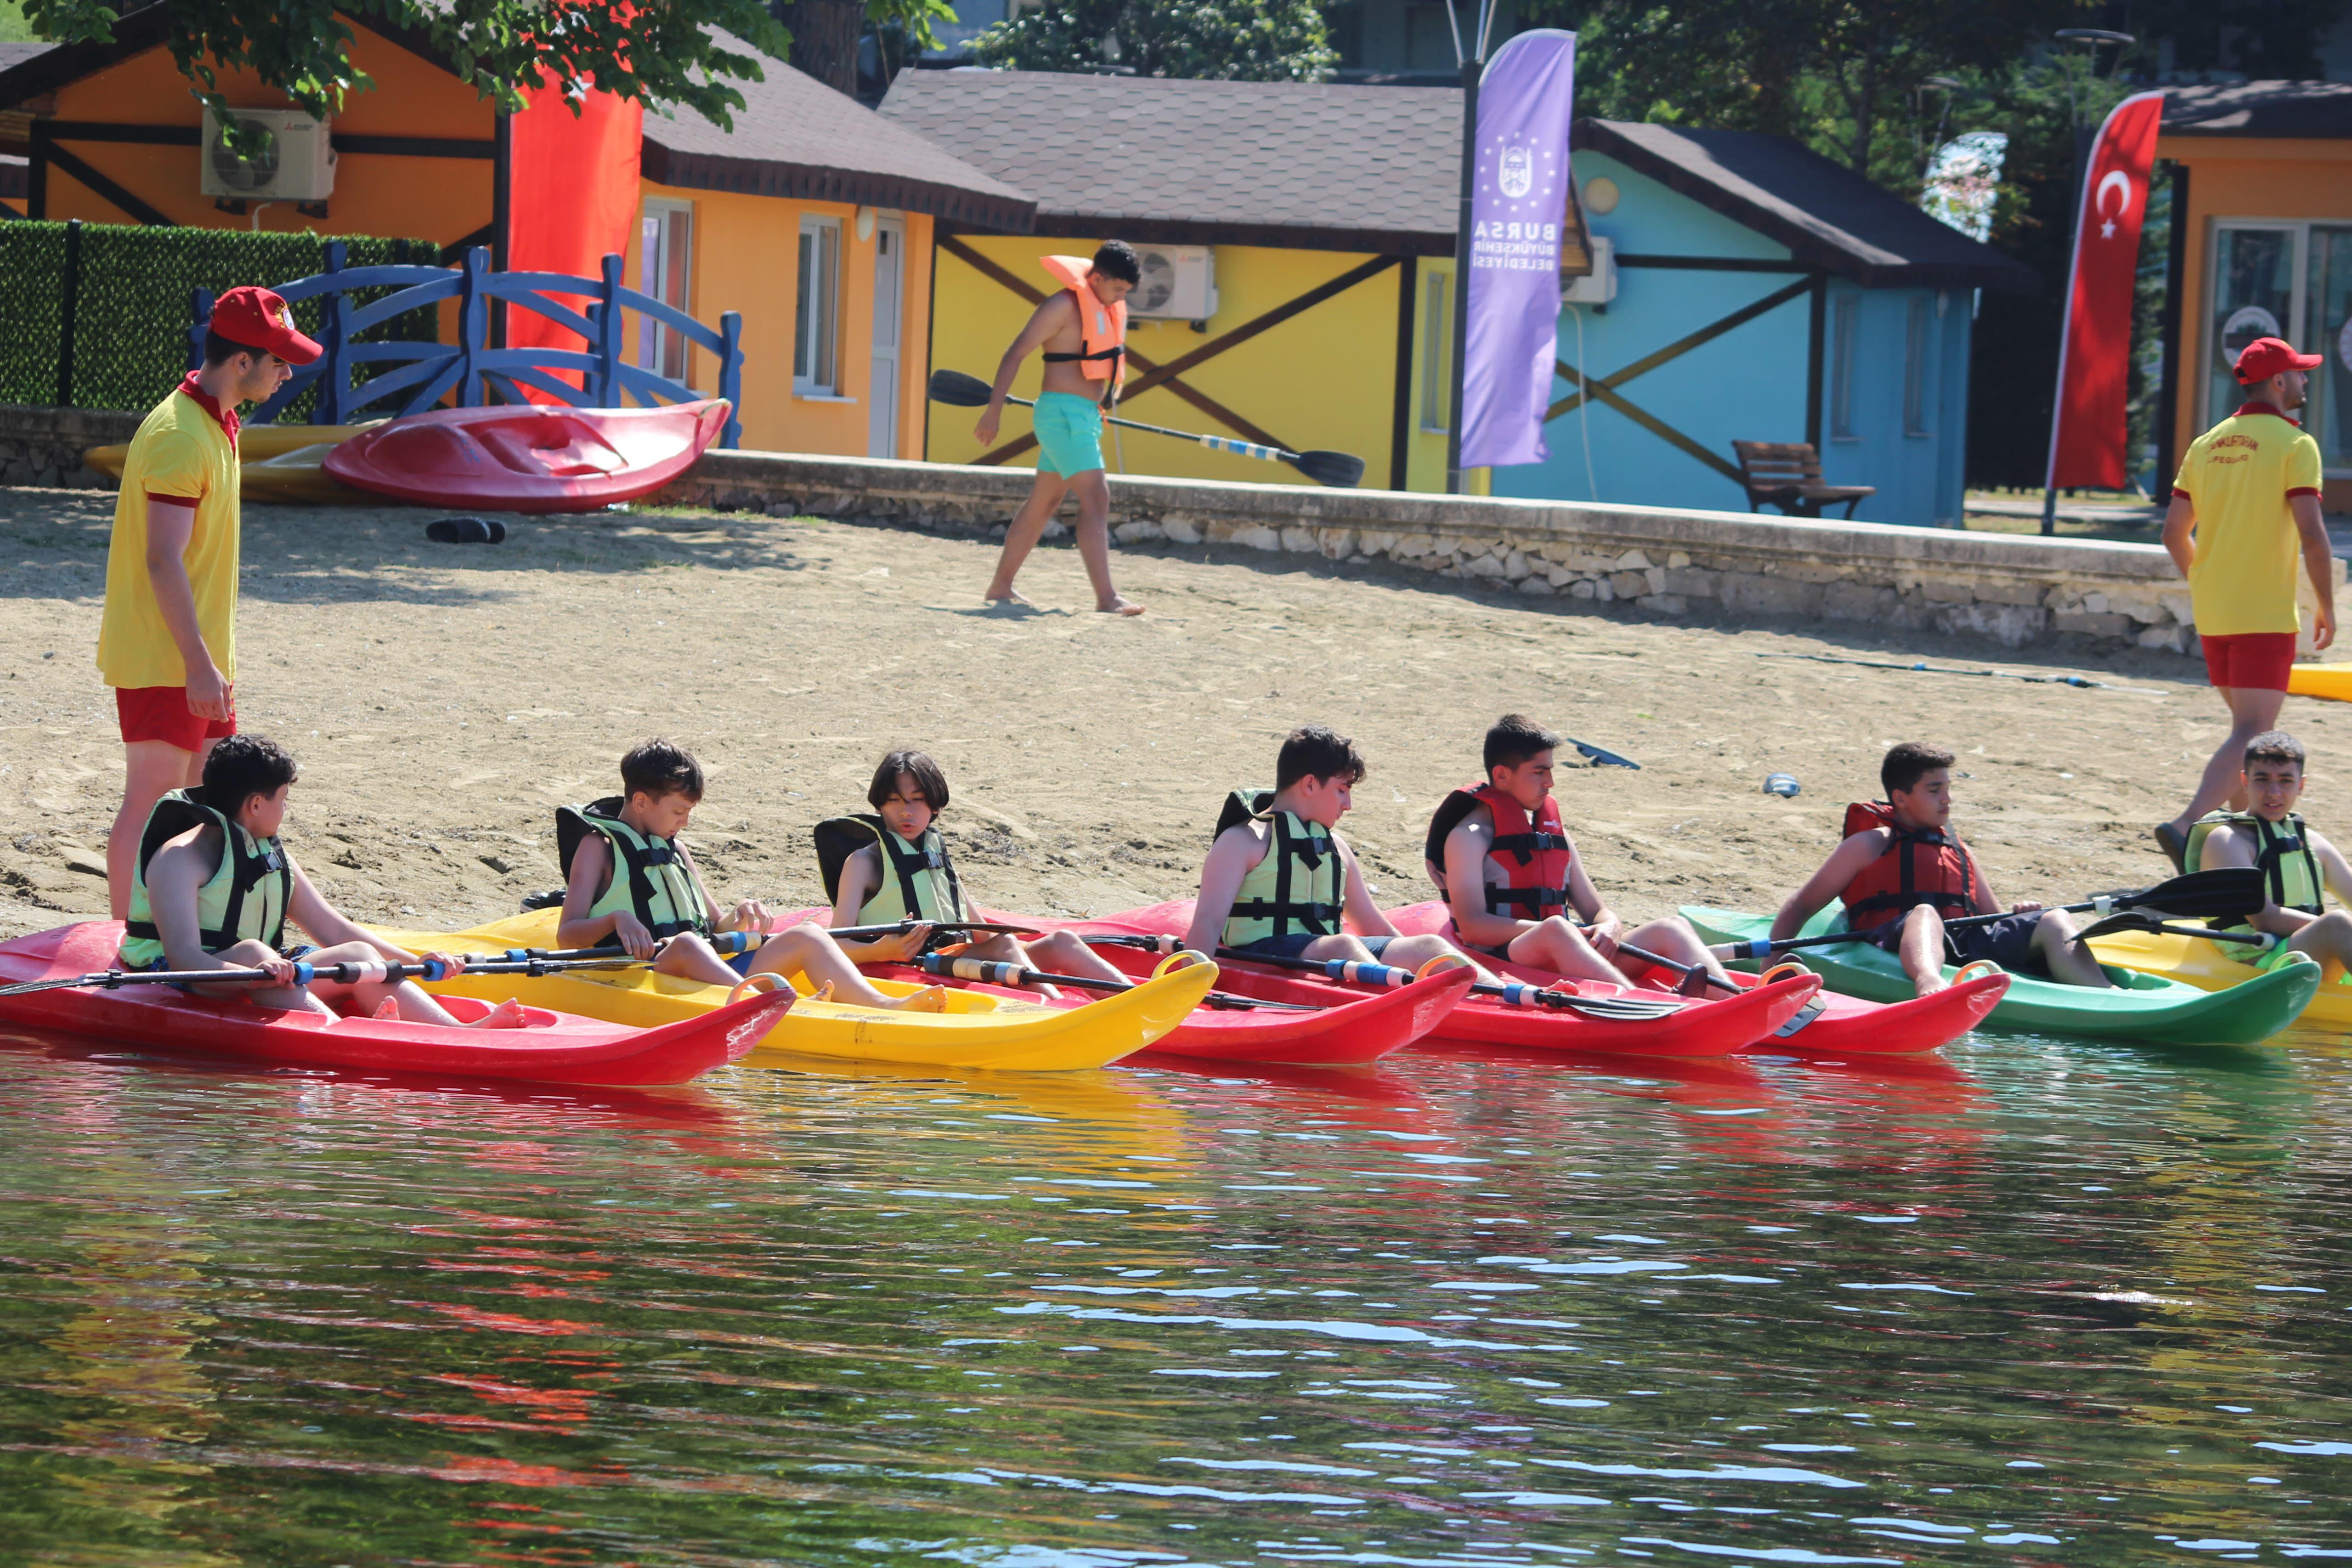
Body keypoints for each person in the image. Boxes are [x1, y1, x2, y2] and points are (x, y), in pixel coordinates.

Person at [101, 287, 322, 920]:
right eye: (279, 360)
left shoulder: (217, 422)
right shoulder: (180, 435)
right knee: (148, 802)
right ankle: (125, 940)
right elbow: (161, 560)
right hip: (164, 653)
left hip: (197, 656)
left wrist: (209, 663)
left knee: (209, 801)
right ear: (242, 362)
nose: (287, 373)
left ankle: (192, 929)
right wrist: (198, 663)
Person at [120, 734, 520, 1025]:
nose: (286, 809)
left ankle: (460, 1034)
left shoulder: (268, 854)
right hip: (181, 978)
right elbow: (183, 959)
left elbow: (333, 928)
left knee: (360, 954)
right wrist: (264, 969)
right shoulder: (179, 859)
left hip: (263, 972)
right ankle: (343, 1036)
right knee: (257, 953)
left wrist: (416, 961)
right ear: (257, 804)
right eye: (283, 798)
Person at [554, 739, 944, 1012]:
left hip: (707, 971)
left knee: (808, 933)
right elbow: (567, 932)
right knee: (688, 944)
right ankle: (774, 1005)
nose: (685, 823)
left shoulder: (675, 847)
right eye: (678, 812)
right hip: (648, 974)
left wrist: (737, 914)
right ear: (641, 801)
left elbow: (712, 924)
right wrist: (616, 918)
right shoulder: (598, 848)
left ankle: (883, 1004)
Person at [2155, 335, 2337, 870]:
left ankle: (2240, 840)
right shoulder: (2293, 444)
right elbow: (2312, 536)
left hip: (2215, 610)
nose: (2305, 381)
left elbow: (2172, 532)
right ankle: (2187, 823)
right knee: (2251, 733)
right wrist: (2328, 606)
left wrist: (2204, 581)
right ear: (2278, 382)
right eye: (2299, 374)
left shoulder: (2206, 443)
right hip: (2262, 611)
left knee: (2246, 737)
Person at [1770, 742, 2112, 997]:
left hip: (1962, 943)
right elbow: (1801, 905)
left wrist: (2021, 916)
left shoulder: (1957, 847)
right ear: (1901, 798)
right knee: (1925, 913)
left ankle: (2104, 995)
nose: (1947, 800)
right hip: (1894, 939)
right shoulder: (1870, 844)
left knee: (2053, 919)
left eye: (1948, 789)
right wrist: (1772, 962)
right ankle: (1930, 984)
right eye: (1935, 791)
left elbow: (1991, 920)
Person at [1424, 713, 1735, 988]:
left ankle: (1735, 1003)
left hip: (1568, 952)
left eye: (1550, 771)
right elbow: (1473, 926)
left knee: (1672, 927)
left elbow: (1594, 908)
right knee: (1558, 929)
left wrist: (1609, 925)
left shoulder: (1551, 834)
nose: (1550, 783)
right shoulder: (1468, 837)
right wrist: (1563, 933)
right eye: (1539, 772)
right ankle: (1642, 1005)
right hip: (1505, 960)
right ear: (1503, 774)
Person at [1183, 725, 1498, 976]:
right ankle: (1401, 1004)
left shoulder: (1337, 849)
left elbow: (1374, 926)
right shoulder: (1242, 841)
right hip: (1257, 959)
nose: (1348, 805)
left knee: (1429, 945)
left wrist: (1417, 957)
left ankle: (1510, 1001)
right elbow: (1208, 923)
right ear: (1309, 785)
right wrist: (1188, 995)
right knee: (1343, 946)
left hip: (1321, 954)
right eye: (1342, 790)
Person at [819, 748, 1134, 995]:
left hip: (955, 958)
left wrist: (1019, 948)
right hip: (915, 967)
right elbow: (832, 945)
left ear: (935, 807)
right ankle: (1056, 1007)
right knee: (1006, 946)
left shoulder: (934, 853)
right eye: (894, 801)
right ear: (879, 806)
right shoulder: (863, 863)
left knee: (1062, 941)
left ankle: (1136, 1000)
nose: (906, 811)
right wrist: (880, 949)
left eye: (917, 801)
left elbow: (980, 931)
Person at [973, 242, 1145, 617]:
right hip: (1062, 416)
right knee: (1097, 499)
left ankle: (1001, 586)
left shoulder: (1101, 307)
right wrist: (993, 412)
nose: (1119, 299)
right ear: (1097, 277)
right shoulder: (1062, 306)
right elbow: (1015, 353)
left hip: (1079, 415)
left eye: (1124, 294)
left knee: (1044, 502)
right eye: (1116, 289)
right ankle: (1106, 598)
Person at [2182, 730, 2352, 974]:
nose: (2274, 793)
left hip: (2303, 953)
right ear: (2245, 781)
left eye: (2285, 781)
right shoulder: (2227, 840)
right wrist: (2337, 929)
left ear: (2301, 785)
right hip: (2257, 962)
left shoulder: (2313, 843)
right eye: (2262, 779)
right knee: (2336, 923)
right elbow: (2264, 919)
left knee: (2338, 925)